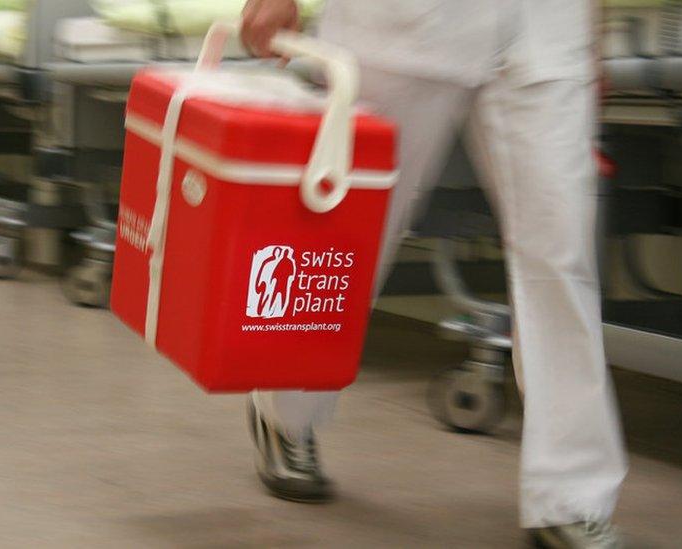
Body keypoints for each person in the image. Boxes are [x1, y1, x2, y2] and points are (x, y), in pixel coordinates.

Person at [240, 1, 628, 547]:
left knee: (561, 258)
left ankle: (571, 495)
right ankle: (284, 410)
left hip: (547, 27)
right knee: (353, 232)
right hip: (402, 22)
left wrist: (593, 36)